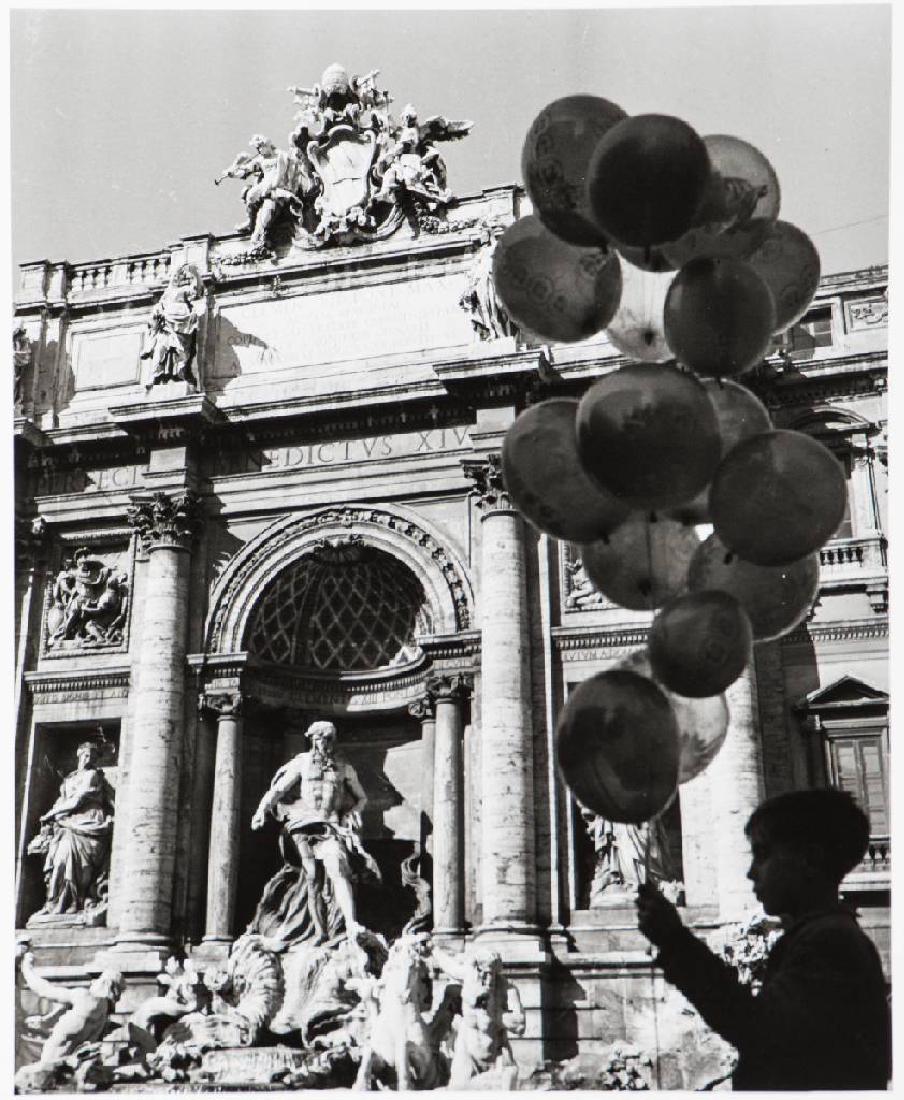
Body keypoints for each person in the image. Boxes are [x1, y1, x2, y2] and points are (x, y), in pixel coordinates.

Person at [635, 788, 890, 1090]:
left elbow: (758, 1030)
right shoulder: (823, 935)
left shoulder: (830, 943)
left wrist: (676, 942)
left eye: (762, 854)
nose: (750, 873)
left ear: (810, 859)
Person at [251, 720, 377, 945]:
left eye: (328, 739)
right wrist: (261, 810)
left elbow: (362, 797)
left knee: (337, 866)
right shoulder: (302, 763)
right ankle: (318, 930)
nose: (324, 743)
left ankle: (350, 923)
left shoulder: (345, 768)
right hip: (303, 824)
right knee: (312, 875)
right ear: (312, 739)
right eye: (319, 738)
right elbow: (278, 790)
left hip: (329, 826)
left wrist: (352, 812)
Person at [29, 741, 115, 916]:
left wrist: (50, 814)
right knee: (57, 859)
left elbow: (77, 800)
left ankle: (73, 902)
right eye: (85, 755)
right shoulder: (69, 778)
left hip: (88, 822)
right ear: (78, 754)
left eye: (92, 757)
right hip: (67, 824)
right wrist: (53, 816)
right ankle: (53, 903)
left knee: (67, 856)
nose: (88, 759)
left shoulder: (92, 775)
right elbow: (62, 800)